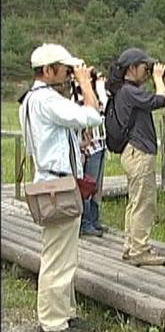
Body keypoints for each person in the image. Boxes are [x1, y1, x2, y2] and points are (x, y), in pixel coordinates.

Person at [18, 43, 103, 332]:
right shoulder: (46, 100)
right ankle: (52, 324)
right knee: (57, 257)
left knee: (64, 254)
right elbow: (92, 116)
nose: (69, 75)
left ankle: (64, 313)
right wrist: (85, 84)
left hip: (52, 182)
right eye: (65, 70)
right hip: (58, 185)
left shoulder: (31, 100)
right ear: (48, 70)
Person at [108, 48, 165, 266]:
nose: (147, 72)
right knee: (144, 202)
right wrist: (159, 78)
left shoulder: (125, 91)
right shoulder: (129, 91)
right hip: (139, 152)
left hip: (132, 152)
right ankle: (139, 250)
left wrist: (154, 77)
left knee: (135, 201)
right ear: (132, 68)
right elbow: (161, 100)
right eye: (145, 68)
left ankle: (131, 246)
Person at [71, 71, 109, 237]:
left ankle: (94, 219)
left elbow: (105, 106)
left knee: (96, 186)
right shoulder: (77, 96)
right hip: (89, 145)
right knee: (88, 183)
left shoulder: (96, 94)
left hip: (100, 143)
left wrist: (99, 85)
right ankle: (86, 222)